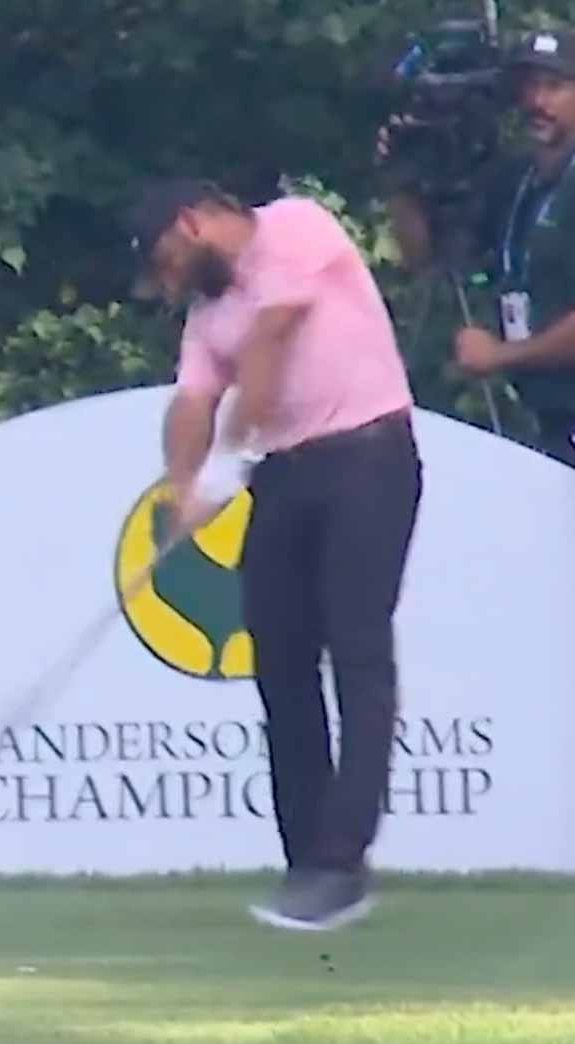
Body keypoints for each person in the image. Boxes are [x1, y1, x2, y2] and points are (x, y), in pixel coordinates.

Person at [125, 178, 423, 931]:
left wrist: (229, 458)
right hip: (286, 475)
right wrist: (181, 491)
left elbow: (273, 335)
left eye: (164, 261)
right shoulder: (207, 311)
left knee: (356, 648)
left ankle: (342, 861)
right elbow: (193, 397)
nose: (166, 282)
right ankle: (306, 860)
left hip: (369, 457)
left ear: (189, 222)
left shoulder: (295, 226)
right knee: (280, 658)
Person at [393, 29, 575, 464]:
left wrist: (502, 354)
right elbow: (424, 256)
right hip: (543, 409)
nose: (537, 102)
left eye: (554, 86)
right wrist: (401, 179)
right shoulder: (515, 182)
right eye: (527, 88)